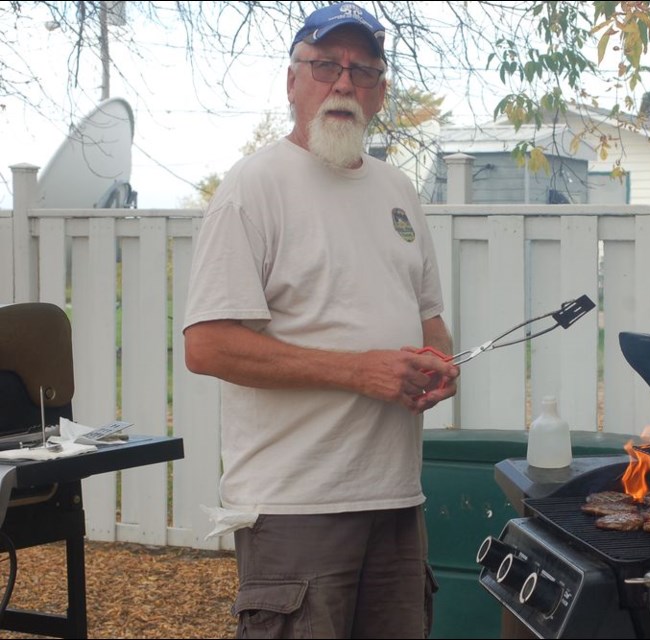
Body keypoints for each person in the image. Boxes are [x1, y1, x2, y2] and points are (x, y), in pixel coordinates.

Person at [182, 3, 460, 638]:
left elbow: (430, 321)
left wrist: (440, 365)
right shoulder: (255, 187)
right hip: (294, 506)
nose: (343, 83)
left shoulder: (398, 191)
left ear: (381, 93)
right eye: (326, 65)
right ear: (292, 81)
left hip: (395, 500)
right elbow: (209, 347)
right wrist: (357, 371)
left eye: (363, 71)